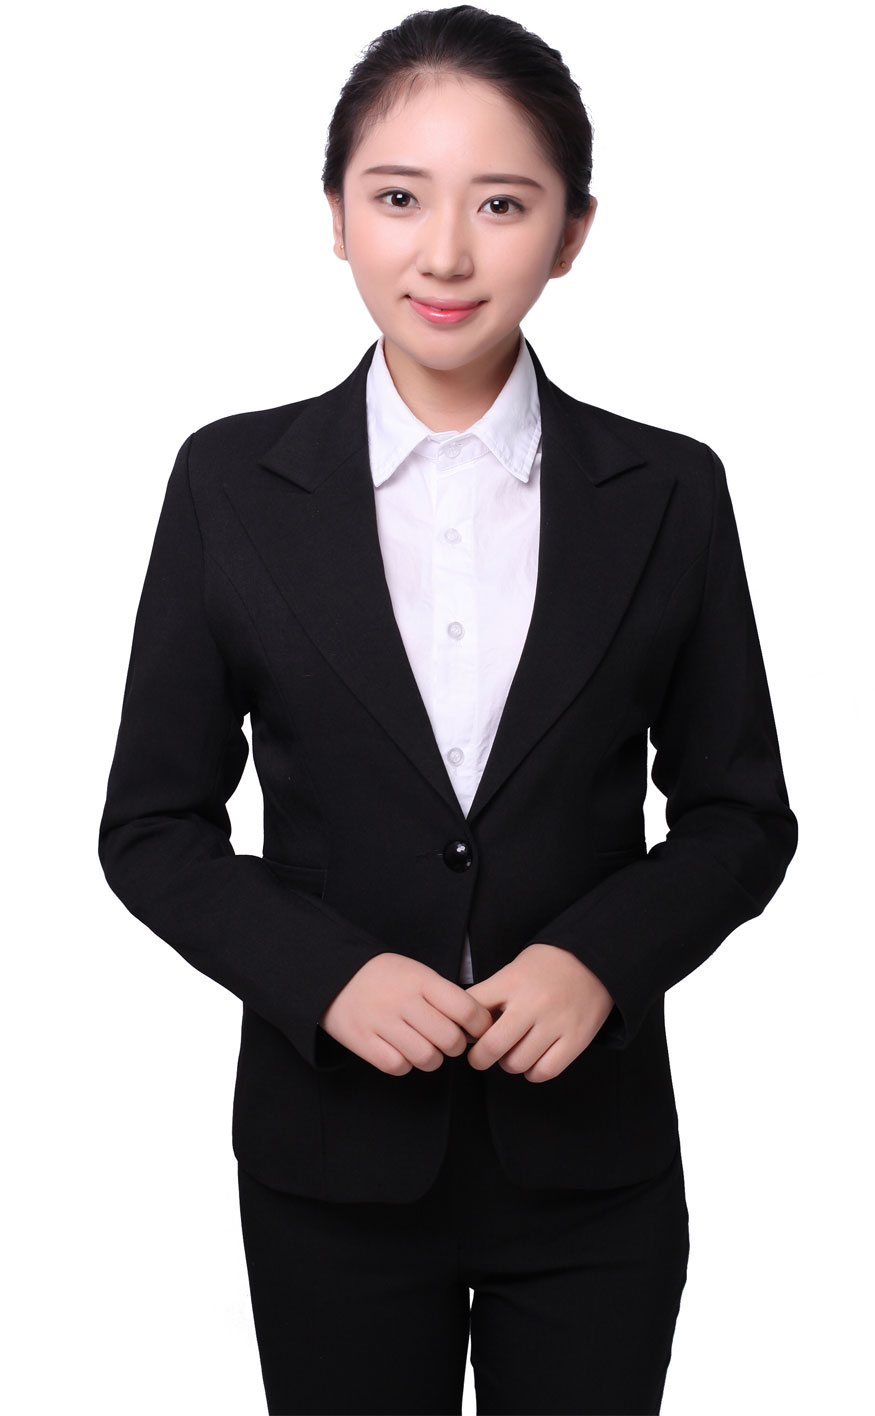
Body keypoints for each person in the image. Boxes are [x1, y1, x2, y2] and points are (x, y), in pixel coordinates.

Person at [98, 6, 797, 1414]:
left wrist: (597, 960)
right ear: (336, 215)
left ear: (574, 231)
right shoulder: (231, 486)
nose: (446, 256)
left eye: (503, 204)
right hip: (329, 1161)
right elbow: (153, 826)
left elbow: (740, 816)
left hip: (593, 1166)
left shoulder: (669, 491)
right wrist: (323, 975)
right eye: (399, 198)